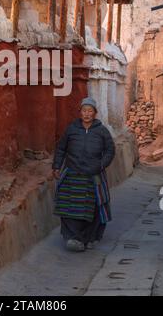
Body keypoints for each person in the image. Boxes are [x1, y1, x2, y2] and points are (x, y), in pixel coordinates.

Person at [52, 97, 115, 252]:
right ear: (80, 112)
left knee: (94, 206)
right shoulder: (71, 129)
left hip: (93, 174)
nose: (87, 114)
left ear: (95, 113)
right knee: (68, 206)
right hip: (73, 172)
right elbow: (61, 148)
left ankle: (90, 237)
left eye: (90, 111)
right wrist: (56, 166)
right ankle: (73, 238)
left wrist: (100, 165)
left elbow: (110, 150)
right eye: (84, 111)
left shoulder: (102, 131)